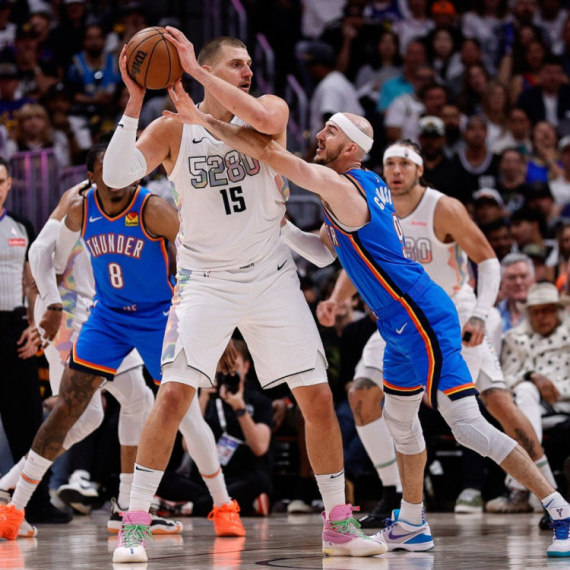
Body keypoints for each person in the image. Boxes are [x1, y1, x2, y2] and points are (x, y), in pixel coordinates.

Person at [163, 84, 570, 557]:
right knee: (398, 418)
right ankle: (412, 523)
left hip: (420, 313)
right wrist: (280, 225)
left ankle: (559, 507)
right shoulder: (358, 188)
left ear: (350, 149)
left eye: (330, 131)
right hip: (395, 324)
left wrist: (205, 120)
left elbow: (271, 154)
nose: (319, 135)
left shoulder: (343, 185)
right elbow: (323, 254)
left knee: (465, 423)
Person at [103, 32, 385, 563]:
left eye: (250, 63)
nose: (248, 71)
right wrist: (136, 98)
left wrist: (195, 76)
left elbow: (266, 119)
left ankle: (338, 523)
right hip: (205, 281)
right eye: (237, 64)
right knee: (172, 396)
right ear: (209, 68)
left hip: (272, 276)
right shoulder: (171, 128)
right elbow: (116, 175)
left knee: (317, 398)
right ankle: (134, 524)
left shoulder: (269, 110)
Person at [0, 144, 243, 540]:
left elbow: (200, 261)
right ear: (92, 177)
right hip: (103, 317)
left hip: (157, 317)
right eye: (109, 169)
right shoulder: (79, 207)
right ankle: (14, 507)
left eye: (126, 168)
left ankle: (222, 505)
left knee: (179, 412)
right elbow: (47, 257)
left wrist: (213, 322)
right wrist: (51, 303)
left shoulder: (154, 210)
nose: (119, 176)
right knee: (70, 411)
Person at [328, 140, 556, 522]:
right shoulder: (375, 203)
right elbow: (359, 260)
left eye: (404, 163)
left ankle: (549, 493)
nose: (396, 170)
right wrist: (336, 300)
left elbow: (489, 261)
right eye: (389, 163)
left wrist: (481, 314)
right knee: (362, 394)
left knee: (493, 403)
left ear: (420, 170)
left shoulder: (443, 207)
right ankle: (396, 497)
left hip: (452, 311)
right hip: (402, 315)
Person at [0, 156, 68, 529]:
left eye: (1, 181)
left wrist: (33, 323)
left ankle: (35, 503)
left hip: (14, 330)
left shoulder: (22, 226)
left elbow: (33, 283)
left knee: (27, 418)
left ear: (9, 184)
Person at [156, 340, 273, 517]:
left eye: (234, 367)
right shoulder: (204, 397)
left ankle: (191, 507)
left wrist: (240, 409)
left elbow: (260, 447)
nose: (228, 372)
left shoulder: (259, 401)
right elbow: (187, 446)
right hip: (205, 480)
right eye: (223, 367)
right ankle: (239, 506)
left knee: (261, 481)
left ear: (246, 367)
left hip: (241, 477)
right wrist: (203, 399)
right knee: (162, 479)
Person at [499, 283, 570, 510]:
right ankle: (547, 493)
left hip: (563, 403)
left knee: (523, 401)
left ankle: (519, 489)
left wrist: (553, 387)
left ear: (558, 311)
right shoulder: (515, 338)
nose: (542, 317)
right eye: (536, 312)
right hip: (527, 404)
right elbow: (504, 379)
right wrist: (531, 377)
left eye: (547, 310)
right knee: (525, 391)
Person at [497, 252, 536, 333]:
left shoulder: (544, 312)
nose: (518, 282)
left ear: (533, 280)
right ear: (502, 283)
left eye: (523, 276)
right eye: (512, 278)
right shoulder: (493, 313)